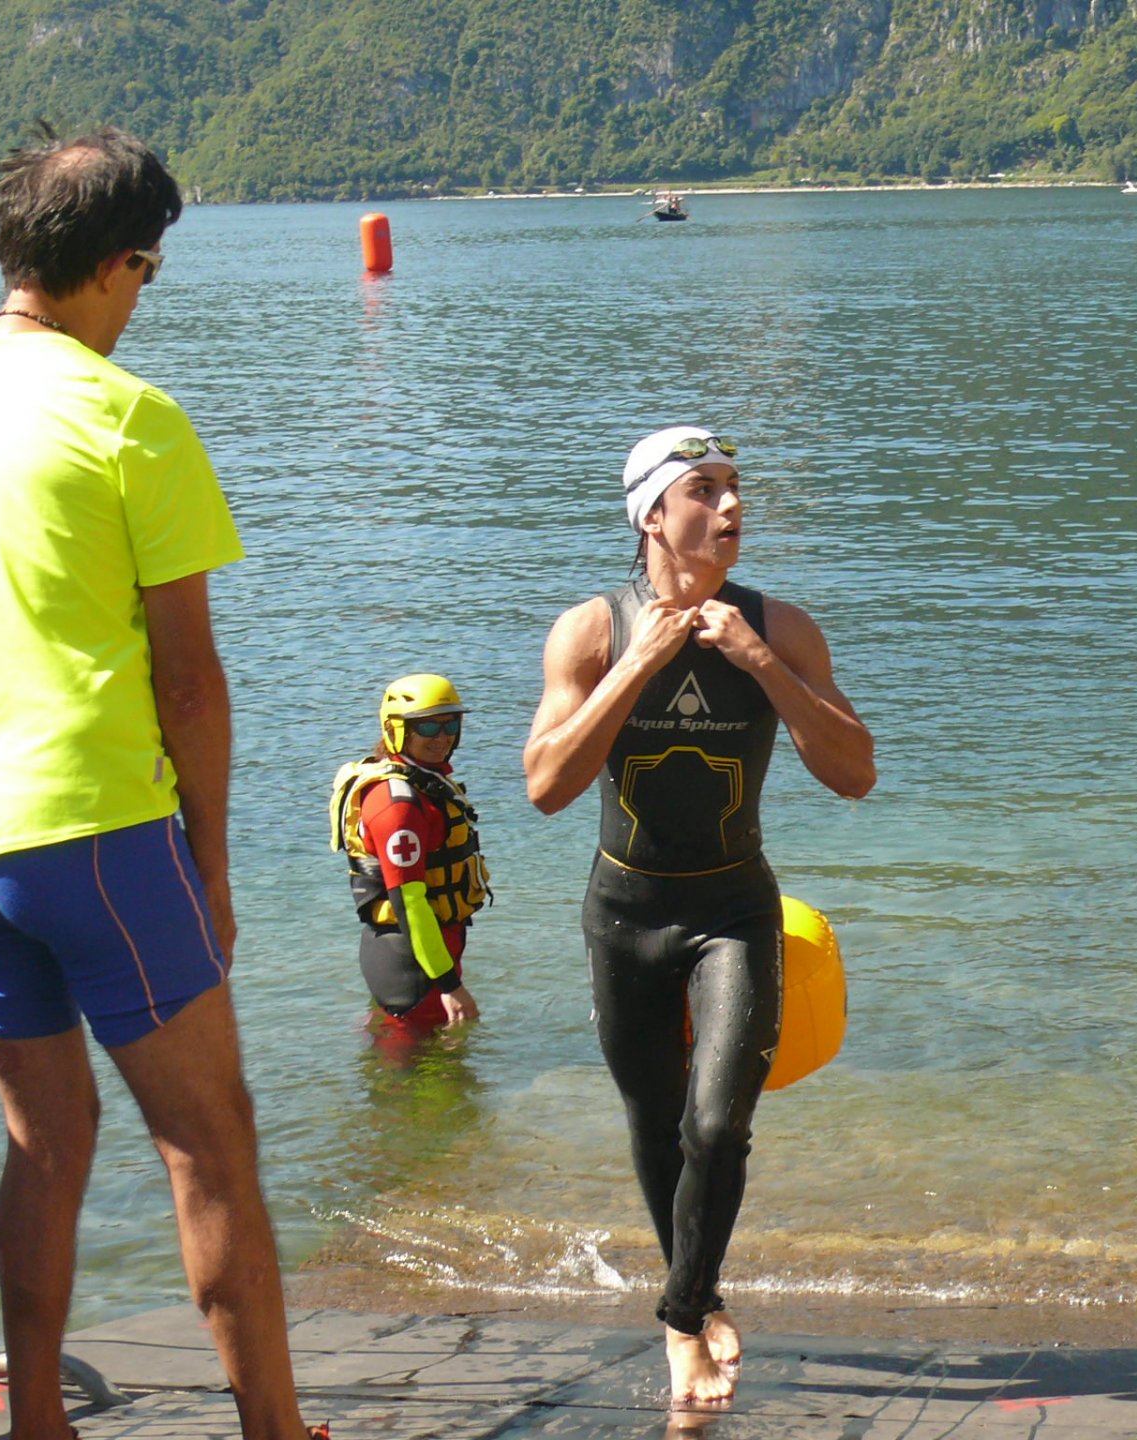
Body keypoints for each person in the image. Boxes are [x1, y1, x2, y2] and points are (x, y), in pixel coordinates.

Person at [0, 128, 319, 1439]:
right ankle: (277, 1431)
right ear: (119, 265)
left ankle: (37, 1427)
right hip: (101, 831)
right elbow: (190, 684)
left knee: (44, 1145)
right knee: (208, 1140)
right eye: (149, 272)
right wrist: (213, 870)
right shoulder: (129, 418)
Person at [524, 426, 875, 1404]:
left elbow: (855, 773)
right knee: (655, 1121)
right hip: (626, 913)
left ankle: (680, 1319)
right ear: (652, 515)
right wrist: (639, 665)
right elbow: (546, 786)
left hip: (733, 907)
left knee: (717, 1126)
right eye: (704, 491)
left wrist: (762, 664)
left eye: (734, 487)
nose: (731, 507)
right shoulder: (590, 630)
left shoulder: (783, 627)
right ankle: (703, 1293)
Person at [330, 673, 490, 1036]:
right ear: (396, 730)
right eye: (428, 727)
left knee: (425, 1073)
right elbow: (410, 903)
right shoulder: (397, 806)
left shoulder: (425, 783)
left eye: (451, 723)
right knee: (417, 1077)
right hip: (412, 966)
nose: (443, 736)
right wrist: (450, 985)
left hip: (427, 956)